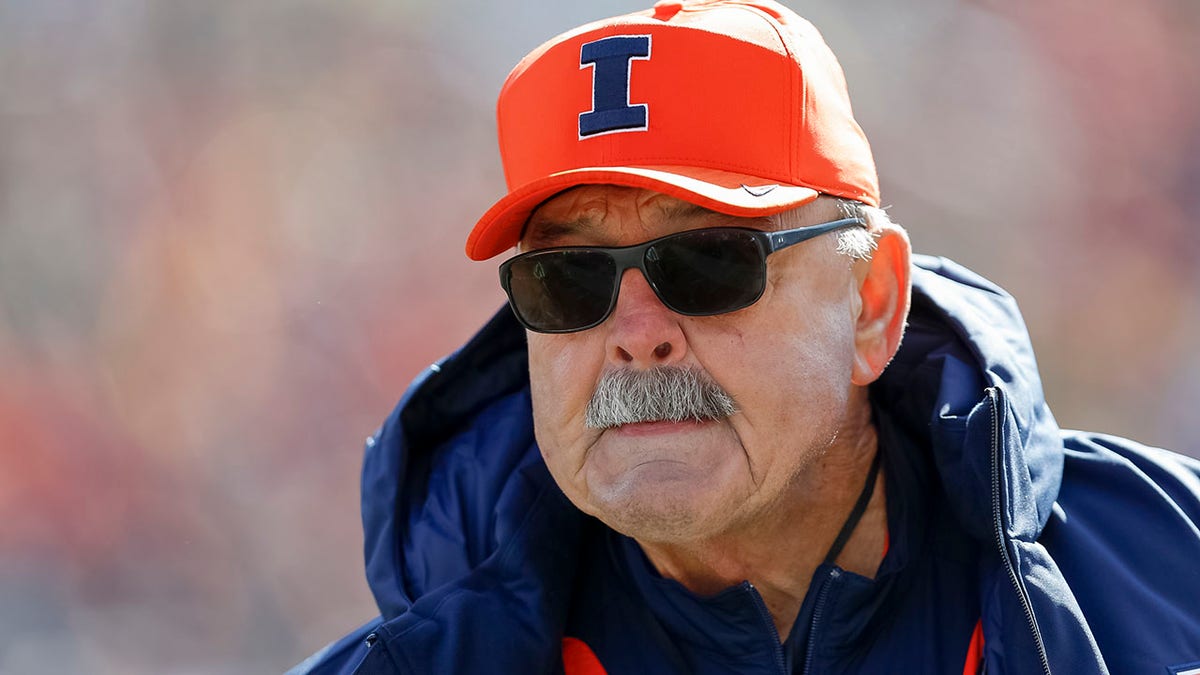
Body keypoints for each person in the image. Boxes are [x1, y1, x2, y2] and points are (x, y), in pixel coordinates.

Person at [290, 1, 1200, 673]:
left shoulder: (1173, 568)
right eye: (568, 278)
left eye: (710, 261)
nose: (636, 333)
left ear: (873, 303)